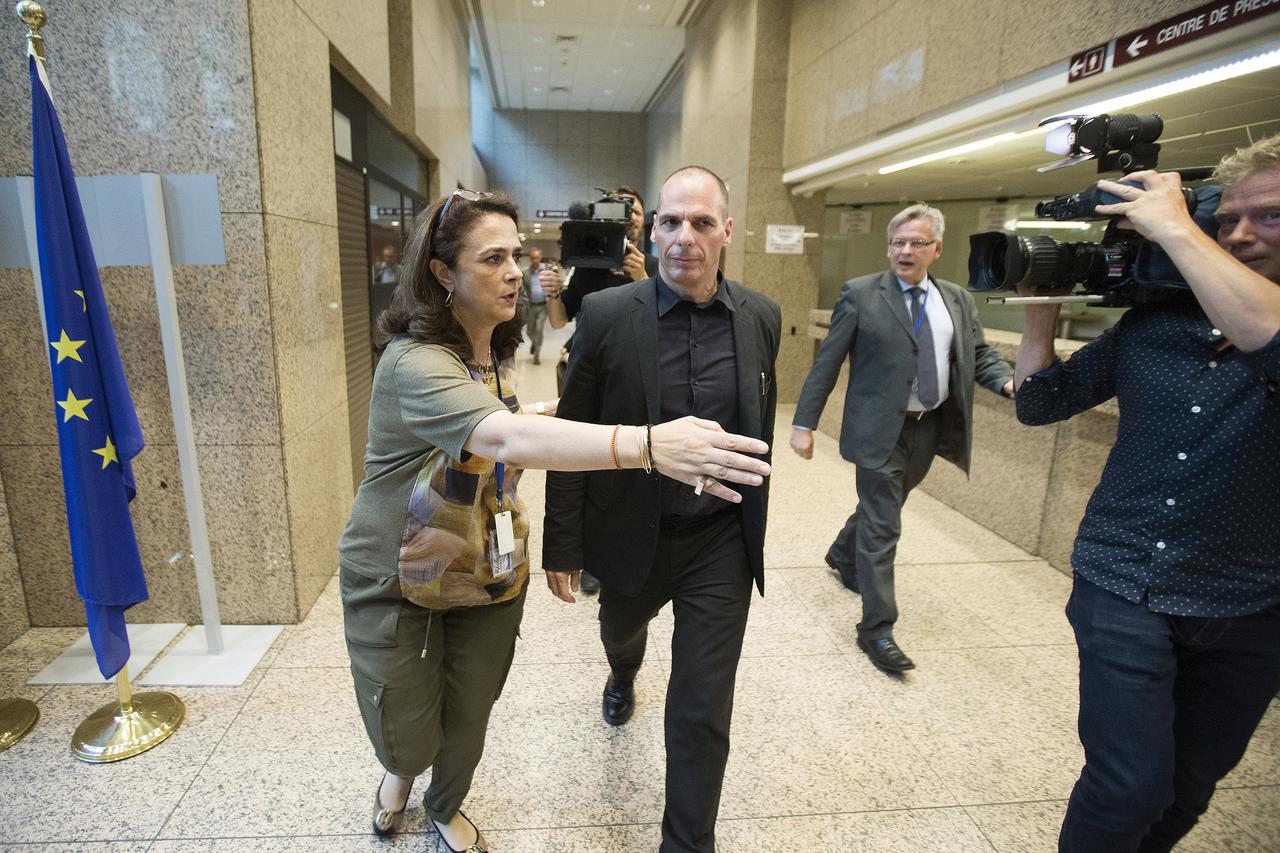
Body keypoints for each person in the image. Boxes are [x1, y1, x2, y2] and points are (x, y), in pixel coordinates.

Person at [337, 189, 772, 853]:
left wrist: (556, 417)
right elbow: (502, 438)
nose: (515, 270)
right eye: (492, 258)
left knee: (472, 709)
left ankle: (445, 804)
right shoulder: (414, 362)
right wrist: (647, 444)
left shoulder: (492, 351)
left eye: (516, 255)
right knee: (411, 730)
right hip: (403, 570)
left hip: (487, 565)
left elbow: (515, 428)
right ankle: (401, 770)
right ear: (442, 272)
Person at [1014, 136, 1280, 852]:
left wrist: (1180, 232)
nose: (1242, 234)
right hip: (1121, 580)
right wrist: (1042, 309)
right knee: (1127, 785)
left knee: (1188, 787)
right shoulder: (1155, 323)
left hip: (1248, 607)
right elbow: (1042, 403)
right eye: (1227, 219)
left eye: (1272, 217)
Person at [543, 166, 781, 853]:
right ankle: (623, 670)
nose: (684, 237)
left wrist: (754, 522)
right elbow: (572, 429)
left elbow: (758, 429)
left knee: (703, 705)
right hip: (629, 531)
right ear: (652, 229)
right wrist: (563, 543)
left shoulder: (760, 316)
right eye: (670, 222)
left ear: (727, 232)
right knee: (621, 630)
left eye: (702, 222)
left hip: (719, 540)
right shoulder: (610, 315)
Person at [790, 203, 1014, 674]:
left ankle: (841, 552)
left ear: (937, 249)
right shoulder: (861, 294)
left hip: (929, 428)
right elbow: (827, 362)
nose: (905, 250)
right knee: (884, 524)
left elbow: (978, 355)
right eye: (898, 242)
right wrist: (803, 423)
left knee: (882, 509)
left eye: (916, 242)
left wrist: (1010, 382)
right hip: (878, 430)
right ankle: (876, 630)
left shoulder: (956, 299)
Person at [540, 184, 658, 596]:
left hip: (638, 378)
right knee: (586, 461)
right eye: (620, 209)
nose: (629, 215)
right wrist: (553, 289)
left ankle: (631, 544)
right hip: (586, 375)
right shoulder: (589, 261)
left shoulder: (660, 266)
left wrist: (641, 275)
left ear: (645, 220)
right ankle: (591, 553)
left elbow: (669, 323)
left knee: (632, 459)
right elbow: (558, 322)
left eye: (635, 209)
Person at [521, 246, 548, 364]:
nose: (535, 260)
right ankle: (534, 343)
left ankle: (537, 354)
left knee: (539, 329)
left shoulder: (546, 271)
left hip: (543, 306)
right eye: (533, 258)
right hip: (531, 306)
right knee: (529, 331)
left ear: (540, 257)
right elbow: (524, 290)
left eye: (537, 258)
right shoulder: (525, 273)